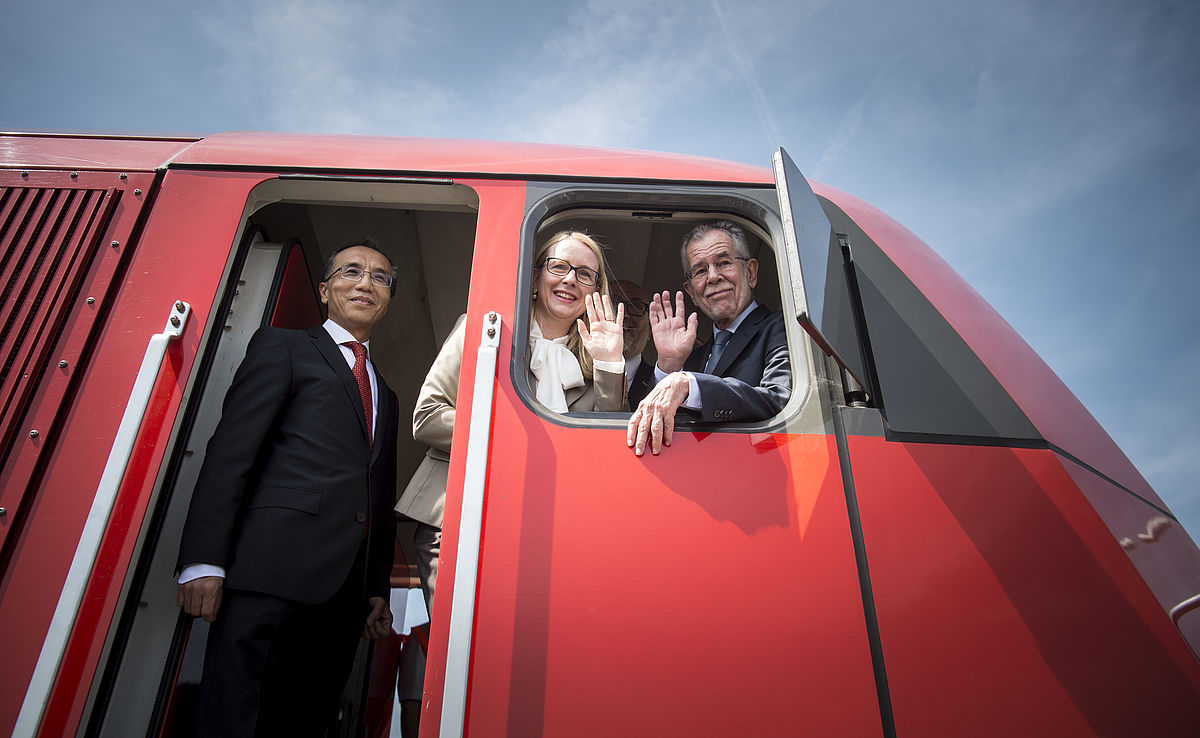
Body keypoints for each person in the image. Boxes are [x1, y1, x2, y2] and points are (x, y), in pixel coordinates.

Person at [176, 239, 400, 737]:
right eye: (351, 272)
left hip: (342, 599)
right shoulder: (283, 347)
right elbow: (231, 454)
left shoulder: (388, 392)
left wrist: (376, 588)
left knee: (304, 721)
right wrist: (203, 560)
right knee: (235, 716)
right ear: (324, 290)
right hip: (267, 576)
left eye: (380, 277)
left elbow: (378, 496)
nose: (366, 283)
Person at [395, 231, 625, 607]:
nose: (570, 279)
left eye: (585, 274)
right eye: (559, 267)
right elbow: (428, 417)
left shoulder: (598, 364)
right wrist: (520, 438)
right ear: (535, 278)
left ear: (595, 293)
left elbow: (602, 452)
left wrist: (609, 363)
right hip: (458, 520)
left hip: (547, 531)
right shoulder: (480, 331)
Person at [627, 221, 791, 456]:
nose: (713, 277)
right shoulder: (693, 360)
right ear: (692, 291)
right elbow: (647, 428)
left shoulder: (782, 328)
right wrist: (669, 365)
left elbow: (780, 399)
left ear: (751, 272)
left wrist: (688, 384)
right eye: (701, 270)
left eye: (724, 263)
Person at [613, 279, 655, 400]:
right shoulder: (573, 373)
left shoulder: (661, 382)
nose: (624, 314)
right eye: (614, 303)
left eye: (636, 307)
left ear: (650, 329)